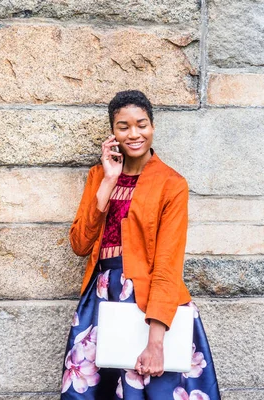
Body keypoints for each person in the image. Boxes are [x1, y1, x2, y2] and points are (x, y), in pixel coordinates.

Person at [59, 90, 221, 400]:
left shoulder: (172, 184)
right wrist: (108, 181)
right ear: (113, 133)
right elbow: (80, 243)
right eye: (124, 126)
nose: (134, 134)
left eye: (141, 124)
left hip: (151, 301)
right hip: (102, 299)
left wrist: (156, 342)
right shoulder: (98, 176)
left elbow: (167, 265)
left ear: (153, 127)